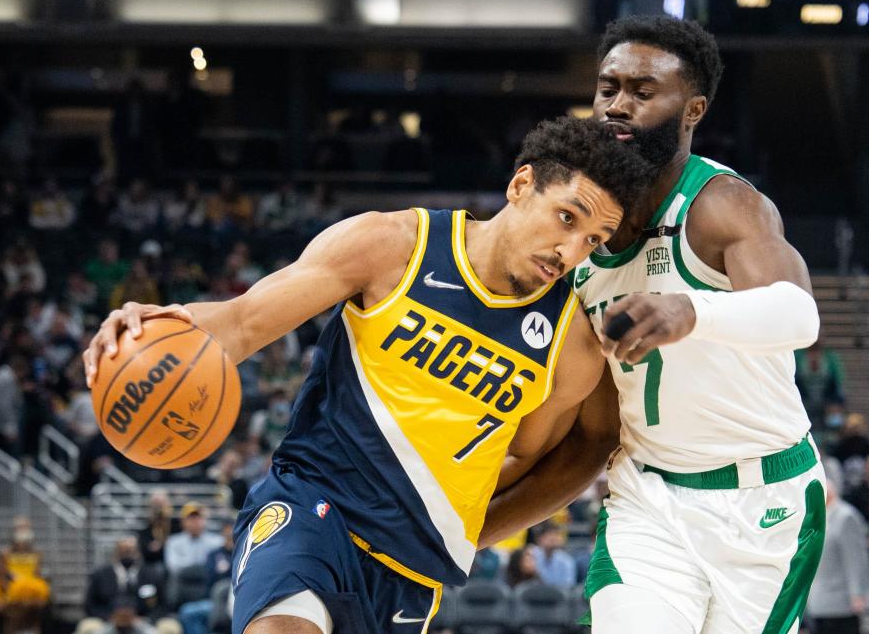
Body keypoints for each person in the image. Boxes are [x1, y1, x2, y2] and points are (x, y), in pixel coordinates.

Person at [82, 116, 650, 634]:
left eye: (592, 241)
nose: (570, 250)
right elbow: (242, 322)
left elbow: (532, 458)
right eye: (567, 218)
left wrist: (474, 533)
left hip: (412, 567)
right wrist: (157, 326)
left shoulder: (570, 342)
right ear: (521, 185)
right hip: (311, 507)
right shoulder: (393, 245)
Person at [481, 16, 825, 634]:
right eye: (608, 87)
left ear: (691, 109)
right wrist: (469, 532)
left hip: (765, 502)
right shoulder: (578, 241)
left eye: (643, 92)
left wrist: (690, 309)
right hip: (648, 500)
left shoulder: (721, 205)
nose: (618, 104)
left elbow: (798, 315)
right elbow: (592, 436)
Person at [806, 459, 869, 634]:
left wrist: (857, 593)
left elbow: (855, 558)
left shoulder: (846, 517)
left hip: (841, 601)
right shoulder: (818, 517)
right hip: (819, 601)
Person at [85, 538, 165, 621]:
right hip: (108, 620)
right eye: (124, 551)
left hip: (144, 620)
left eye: (130, 551)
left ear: (138, 552)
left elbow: (162, 604)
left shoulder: (151, 574)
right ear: (116, 553)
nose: (127, 555)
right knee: (89, 627)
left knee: (169, 627)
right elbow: (90, 605)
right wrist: (108, 617)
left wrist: (148, 618)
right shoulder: (101, 574)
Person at [163, 503, 224, 576]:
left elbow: (221, 566)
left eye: (199, 518)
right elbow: (172, 567)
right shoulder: (173, 542)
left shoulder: (217, 541)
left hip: (208, 582)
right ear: (183, 521)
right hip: (182, 581)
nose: (195, 522)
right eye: (191, 518)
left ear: (205, 520)